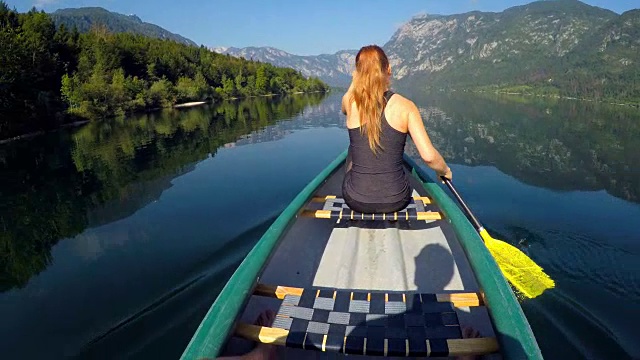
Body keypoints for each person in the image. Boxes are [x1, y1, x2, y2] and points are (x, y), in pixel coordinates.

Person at [342, 45, 452, 214]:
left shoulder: (350, 103)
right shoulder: (406, 106)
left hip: (355, 199)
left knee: (352, 149)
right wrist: (445, 170)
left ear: (357, 74)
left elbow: (347, 100)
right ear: (389, 69)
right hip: (396, 200)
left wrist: (357, 76)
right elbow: (429, 157)